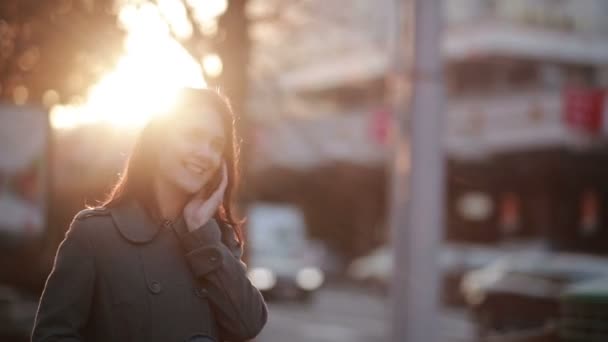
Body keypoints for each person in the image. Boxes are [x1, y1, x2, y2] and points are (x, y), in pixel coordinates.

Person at [31, 88, 268, 341]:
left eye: (216, 145)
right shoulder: (95, 234)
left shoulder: (217, 239)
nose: (205, 153)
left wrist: (201, 232)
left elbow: (248, 325)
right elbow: (52, 335)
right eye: (193, 136)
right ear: (158, 140)